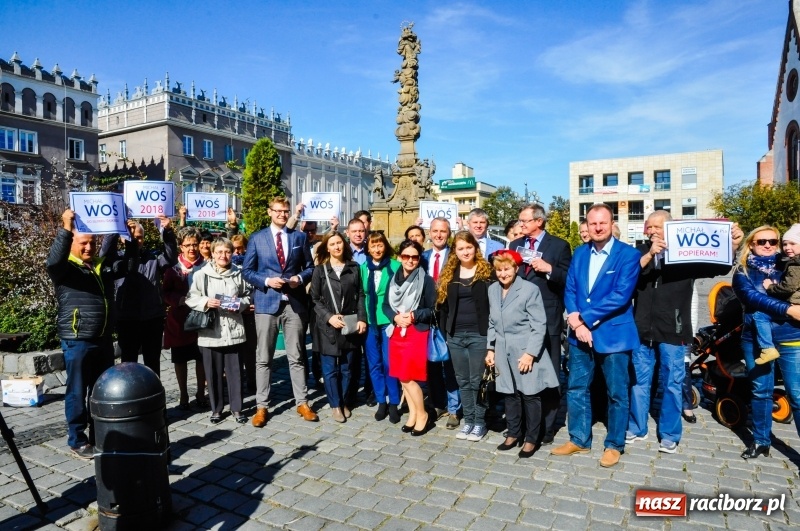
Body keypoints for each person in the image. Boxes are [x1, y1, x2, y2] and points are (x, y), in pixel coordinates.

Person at [626, 210, 741, 454]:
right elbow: (627, 277)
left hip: (674, 330)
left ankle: (669, 434)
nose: (652, 231)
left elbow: (717, 266)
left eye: (658, 226)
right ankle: (637, 427)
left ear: (671, 228)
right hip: (642, 330)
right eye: (649, 227)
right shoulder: (639, 252)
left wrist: (732, 245)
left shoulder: (685, 254)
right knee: (639, 382)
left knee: (672, 382)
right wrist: (650, 255)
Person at [552, 203, 641, 468]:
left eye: (603, 223)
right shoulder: (580, 252)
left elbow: (620, 296)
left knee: (617, 393)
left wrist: (584, 319)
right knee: (577, 388)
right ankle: (579, 439)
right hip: (579, 335)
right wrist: (575, 320)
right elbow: (570, 288)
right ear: (587, 225)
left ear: (612, 224)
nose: (598, 228)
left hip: (613, 335)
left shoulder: (628, 255)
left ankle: (614, 444)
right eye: (593, 223)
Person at [47, 208, 134, 459]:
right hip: (78, 340)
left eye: (92, 243)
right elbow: (53, 261)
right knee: (76, 391)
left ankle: (100, 435)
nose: (89, 247)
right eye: (83, 243)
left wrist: (129, 241)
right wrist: (66, 228)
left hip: (102, 338)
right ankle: (77, 439)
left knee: (100, 391)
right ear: (72, 243)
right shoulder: (65, 269)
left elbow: (127, 267)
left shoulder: (99, 266)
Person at [242, 197, 318, 426]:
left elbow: (310, 268)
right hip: (267, 303)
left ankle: (302, 402)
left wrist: (299, 278)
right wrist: (266, 281)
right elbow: (247, 271)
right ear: (270, 212)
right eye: (278, 211)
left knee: (297, 356)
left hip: (293, 303)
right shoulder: (257, 238)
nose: (282, 215)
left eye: (286, 211)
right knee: (263, 358)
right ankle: (262, 406)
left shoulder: (298, 237)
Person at [732, 225, 800, 459]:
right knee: (761, 392)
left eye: (773, 241)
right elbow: (753, 298)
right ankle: (761, 441)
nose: (768, 245)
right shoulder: (743, 271)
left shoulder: (790, 264)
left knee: (797, 395)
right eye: (762, 241)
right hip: (756, 340)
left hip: (791, 337)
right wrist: (789, 310)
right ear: (752, 244)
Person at [486, 250, 559, 458]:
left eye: (507, 269)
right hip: (502, 349)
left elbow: (539, 324)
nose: (503, 274)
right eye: (499, 270)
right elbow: (492, 322)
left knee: (530, 394)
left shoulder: (529, 290)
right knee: (509, 393)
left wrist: (530, 354)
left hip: (525, 350)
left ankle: (531, 439)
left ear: (516, 269)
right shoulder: (492, 289)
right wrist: (490, 348)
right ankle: (513, 433)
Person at [509, 203, 572, 444]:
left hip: (547, 318)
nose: (521, 224)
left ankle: (547, 426)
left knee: (548, 372)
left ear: (539, 221)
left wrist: (549, 269)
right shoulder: (515, 245)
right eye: (520, 221)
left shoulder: (559, 245)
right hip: (519, 319)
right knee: (522, 371)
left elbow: (569, 278)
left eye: (525, 221)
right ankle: (525, 424)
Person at [101, 216, 178, 377]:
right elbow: (104, 256)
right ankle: (130, 392)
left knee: (153, 362)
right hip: (127, 319)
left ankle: (154, 391)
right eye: (133, 237)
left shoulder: (153, 258)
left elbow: (170, 258)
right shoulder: (118, 259)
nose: (138, 241)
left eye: (140, 237)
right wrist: (115, 229)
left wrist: (168, 232)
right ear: (123, 239)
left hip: (152, 318)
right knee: (128, 363)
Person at [186, 238, 251, 423]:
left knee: (235, 372)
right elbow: (191, 297)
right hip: (211, 332)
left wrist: (239, 305)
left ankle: (237, 408)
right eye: (220, 252)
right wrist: (206, 302)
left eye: (227, 252)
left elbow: (248, 296)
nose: (224, 255)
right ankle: (216, 409)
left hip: (234, 330)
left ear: (232, 253)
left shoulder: (239, 273)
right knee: (213, 373)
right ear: (213, 254)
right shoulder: (201, 274)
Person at [437, 231, 494, 442]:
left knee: (477, 380)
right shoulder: (449, 273)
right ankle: (468, 420)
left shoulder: (486, 272)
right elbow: (442, 307)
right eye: (460, 248)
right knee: (462, 380)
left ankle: (480, 422)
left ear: (475, 248)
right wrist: (446, 333)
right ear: (455, 251)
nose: (465, 252)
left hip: (479, 334)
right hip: (456, 335)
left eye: (469, 247)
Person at [310, 232, 367, 422]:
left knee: (347, 368)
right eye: (332, 244)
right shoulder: (320, 270)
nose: (336, 247)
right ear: (327, 248)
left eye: (339, 243)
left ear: (344, 244)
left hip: (349, 324)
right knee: (329, 370)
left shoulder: (354, 267)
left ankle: (344, 401)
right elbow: (315, 299)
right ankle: (335, 405)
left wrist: (362, 318)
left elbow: (361, 294)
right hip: (327, 327)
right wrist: (329, 317)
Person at [383, 239, 437, 436]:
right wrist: (395, 317)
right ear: (400, 257)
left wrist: (414, 315)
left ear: (419, 259)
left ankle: (422, 414)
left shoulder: (426, 281)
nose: (410, 260)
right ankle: (413, 414)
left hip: (416, 332)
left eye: (414, 257)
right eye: (406, 256)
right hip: (397, 331)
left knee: (408, 376)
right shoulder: (393, 279)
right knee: (401, 375)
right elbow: (385, 305)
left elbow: (433, 309)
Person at [421, 217, 461, 430]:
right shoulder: (422, 257)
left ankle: (454, 408)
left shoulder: (455, 258)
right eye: (435, 231)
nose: (438, 235)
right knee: (432, 364)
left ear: (449, 233)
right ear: (429, 232)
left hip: (449, 317)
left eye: (443, 231)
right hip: (427, 318)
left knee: (451, 365)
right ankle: (438, 403)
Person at [163, 227, 207, 410]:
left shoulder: (207, 266)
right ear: (181, 247)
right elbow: (165, 292)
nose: (192, 248)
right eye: (187, 245)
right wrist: (177, 299)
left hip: (202, 320)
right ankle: (183, 394)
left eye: (195, 244)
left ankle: (201, 393)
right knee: (180, 359)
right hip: (179, 322)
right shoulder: (173, 269)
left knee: (201, 358)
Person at [361, 232, 402, 423]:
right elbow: (361, 295)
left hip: (388, 321)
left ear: (385, 246)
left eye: (380, 245)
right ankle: (381, 400)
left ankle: (393, 402)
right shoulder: (363, 269)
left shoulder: (395, 266)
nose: (377, 249)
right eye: (373, 246)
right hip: (370, 321)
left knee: (389, 363)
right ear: (368, 249)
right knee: (374, 363)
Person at [757, 225, 800, 364]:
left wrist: (770, 287)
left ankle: (767, 348)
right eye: (785, 244)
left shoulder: (796, 265)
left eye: (793, 243)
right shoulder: (792, 261)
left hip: (795, 304)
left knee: (760, 316)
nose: (787, 248)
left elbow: (788, 287)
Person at [344, 217, 372, 407]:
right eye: (354, 231)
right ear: (348, 233)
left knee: (370, 356)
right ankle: (351, 394)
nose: (358, 234)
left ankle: (371, 391)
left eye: (361, 231)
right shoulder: (343, 252)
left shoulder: (372, 250)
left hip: (369, 309)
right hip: (350, 310)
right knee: (351, 356)